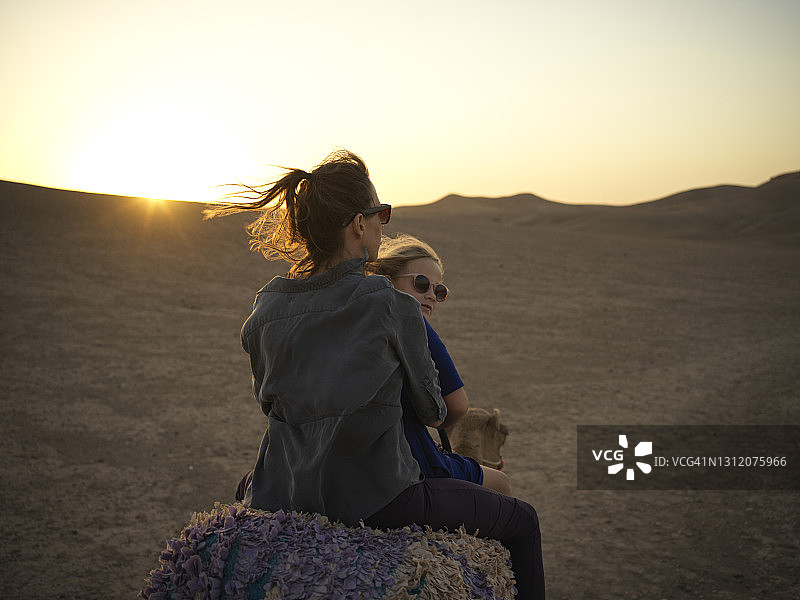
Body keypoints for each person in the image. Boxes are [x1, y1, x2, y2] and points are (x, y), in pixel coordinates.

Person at [208, 150, 544, 599]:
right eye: (381, 215)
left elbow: (270, 402)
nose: (382, 227)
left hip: (282, 487)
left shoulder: (265, 307)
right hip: (380, 496)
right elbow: (433, 408)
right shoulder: (390, 304)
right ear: (358, 224)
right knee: (523, 520)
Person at [369, 233, 512, 495]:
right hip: (404, 460)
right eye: (421, 284)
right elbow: (456, 408)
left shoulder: (358, 321)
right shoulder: (412, 322)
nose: (432, 296)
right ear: (387, 280)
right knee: (502, 485)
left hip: (355, 457)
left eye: (439, 290)